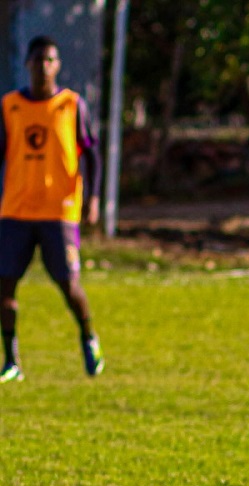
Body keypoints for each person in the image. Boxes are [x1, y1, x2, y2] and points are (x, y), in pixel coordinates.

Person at [0, 35, 104, 383]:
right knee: (4, 287)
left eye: (50, 60)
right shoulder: (10, 106)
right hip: (15, 212)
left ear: (57, 65)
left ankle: (88, 336)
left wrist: (92, 198)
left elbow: (91, 154)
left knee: (69, 285)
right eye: (39, 60)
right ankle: (11, 360)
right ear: (27, 63)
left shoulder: (72, 105)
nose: (44, 67)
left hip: (59, 212)